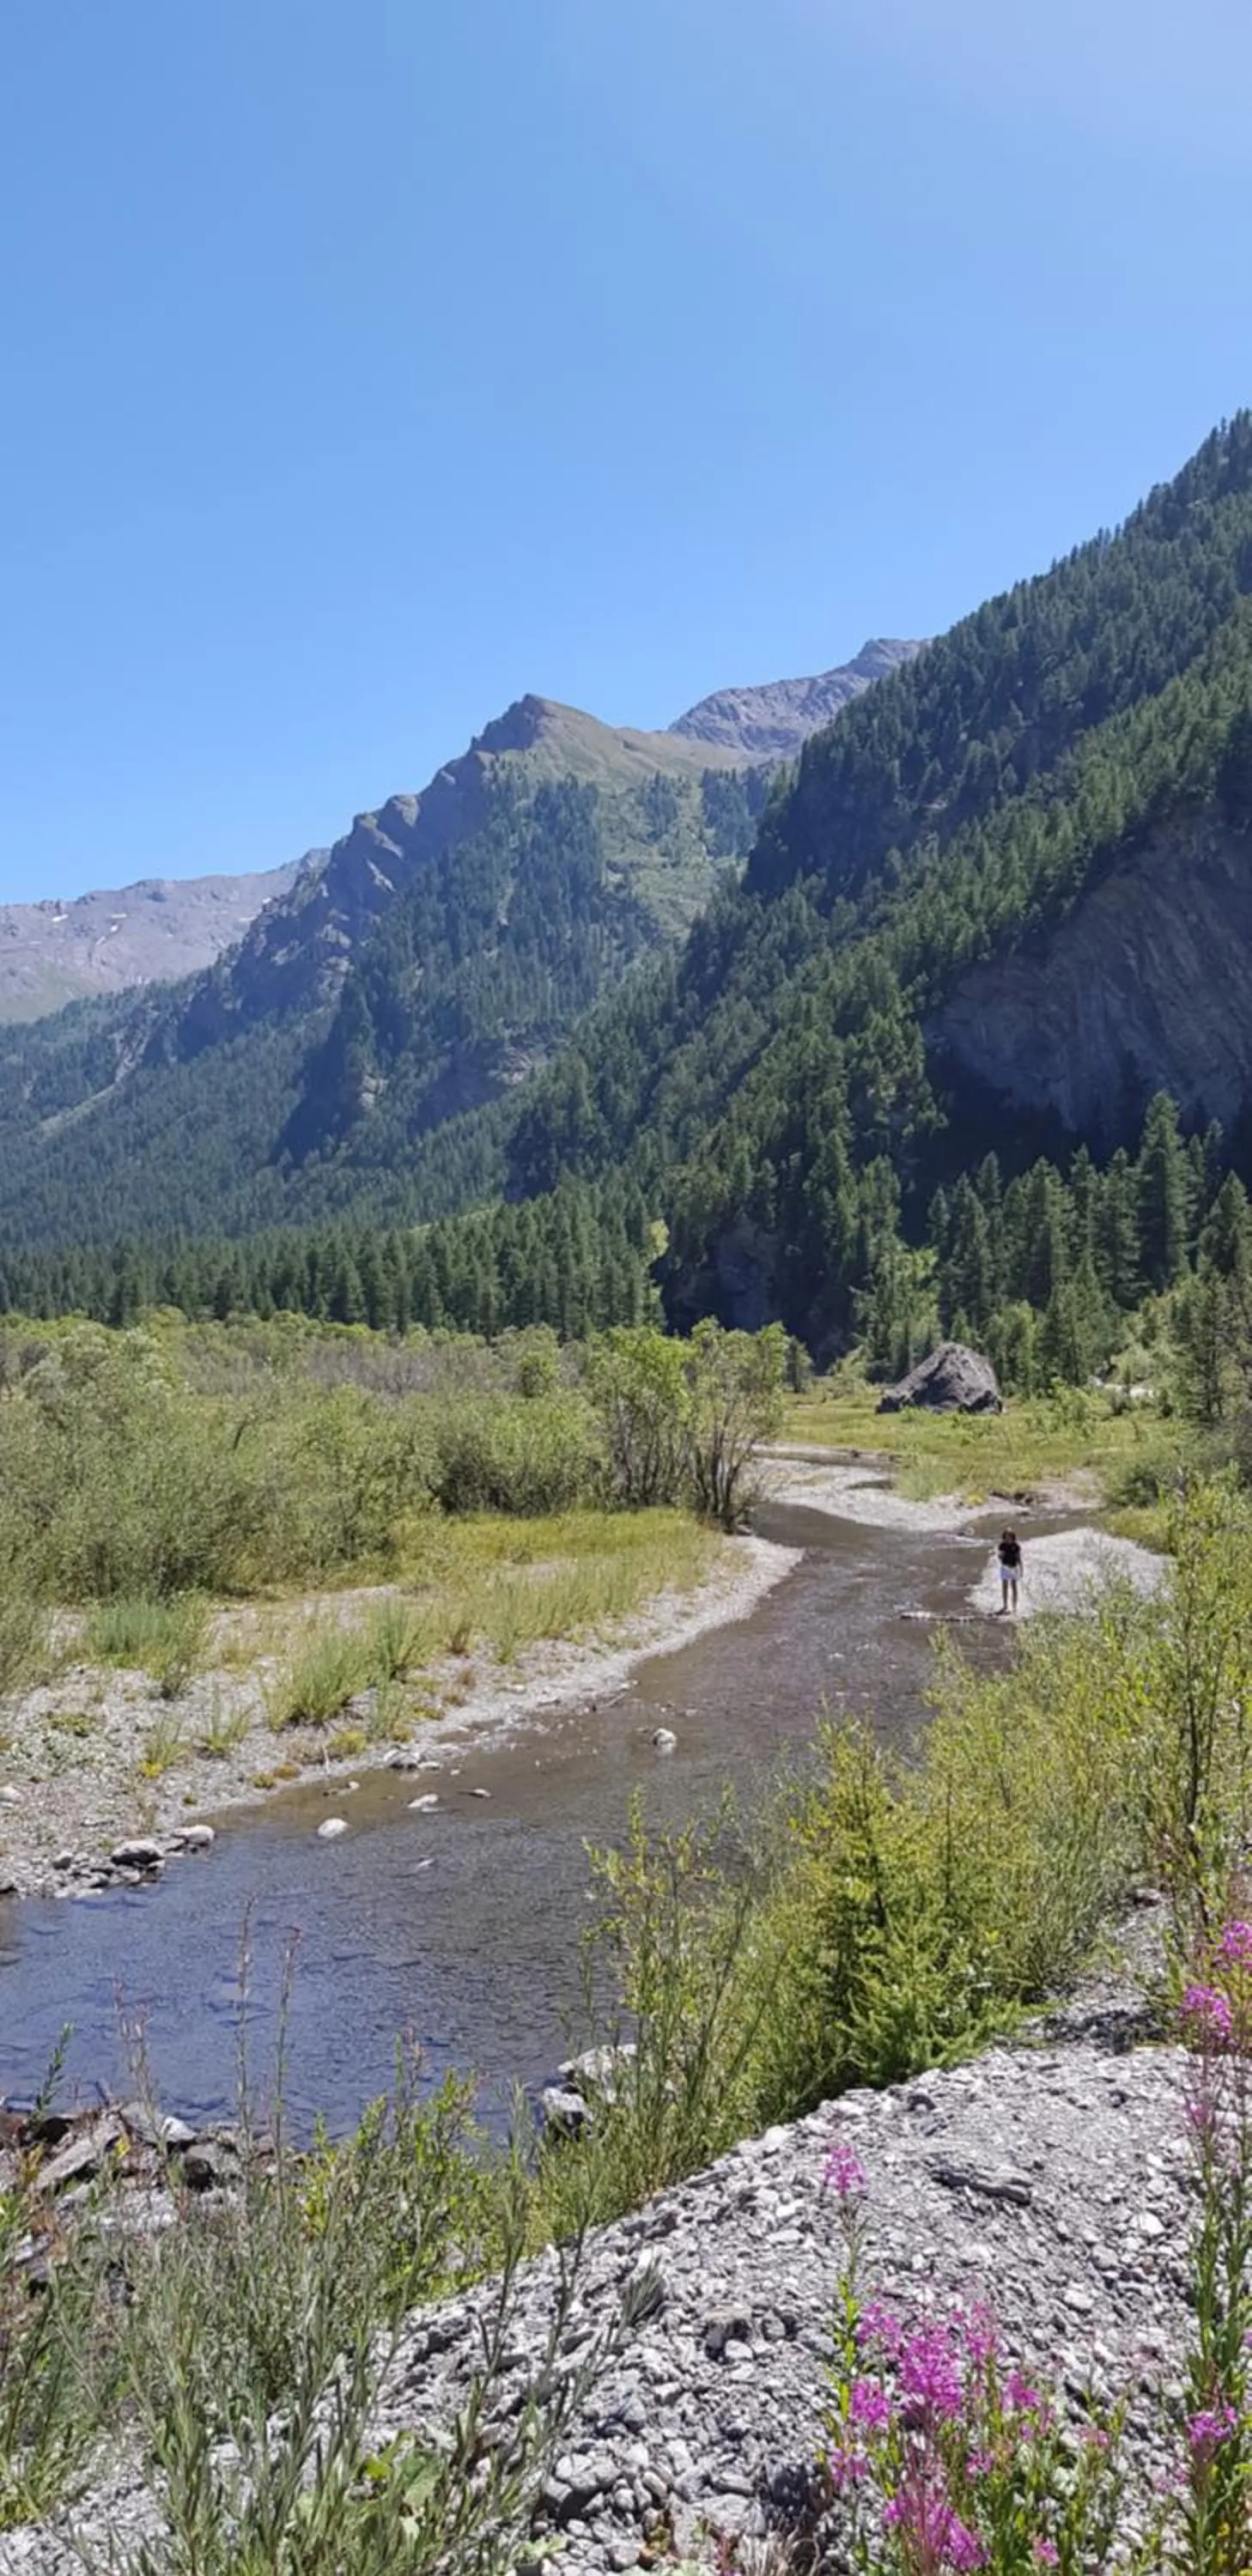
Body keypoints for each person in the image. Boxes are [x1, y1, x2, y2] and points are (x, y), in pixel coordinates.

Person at [997, 1527, 1022, 1615]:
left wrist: (1021, 1569)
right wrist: (1000, 1556)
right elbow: (1000, 1556)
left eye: (1009, 1536)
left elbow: (1019, 1558)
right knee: (1004, 1587)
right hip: (1004, 1567)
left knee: (1014, 1587)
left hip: (1013, 1567)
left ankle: (1014, 1606)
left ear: (1012, 1536)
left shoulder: (1016, 1546)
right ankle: (1005, 1605)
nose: (1008, 1538)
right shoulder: (1002, 1545)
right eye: (1006, 1536)